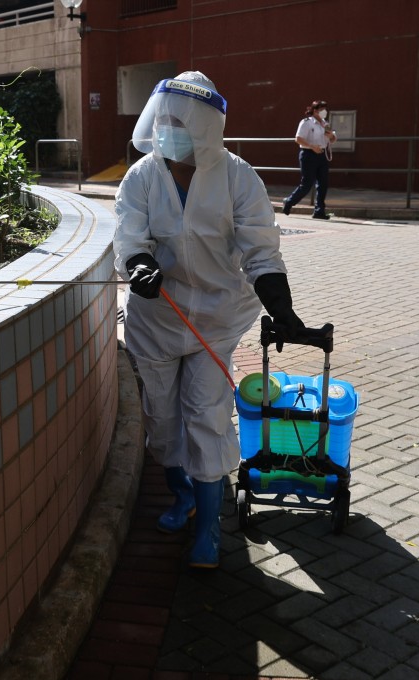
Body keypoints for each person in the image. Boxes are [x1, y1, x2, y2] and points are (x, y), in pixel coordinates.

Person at [114, 71, 305, 569]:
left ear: (205, 127)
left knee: (207, 414)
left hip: (214, 321)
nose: (169, 129)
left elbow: (260, 250)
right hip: (156, 319)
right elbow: (129, 235)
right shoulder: (143, 175)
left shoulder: (238, 176)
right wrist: (137, 263)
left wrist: (280, 307)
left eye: (181, 121)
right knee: (162, 418)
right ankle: (183, 497)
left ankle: (207, 528)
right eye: (165, 120)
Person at [281, 100, 337, 220]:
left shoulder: (325, 123)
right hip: (308, 154)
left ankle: (319, 210)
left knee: (323, 184)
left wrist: (331, 136)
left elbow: (332, 140)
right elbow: (298, 139)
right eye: (322, 109)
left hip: (322, 155)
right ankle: (289, 202)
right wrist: (312, 147)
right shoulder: (306, 122)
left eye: (325, 109)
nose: (325, 112)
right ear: (315, 111)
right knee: (307, 183)